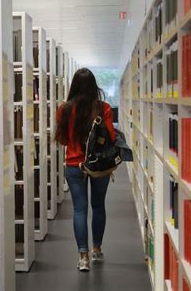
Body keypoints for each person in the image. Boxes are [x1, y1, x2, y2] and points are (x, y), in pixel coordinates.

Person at [55, 68, 116, 272]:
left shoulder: (64, 109)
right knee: (98, 206)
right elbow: (111, 139)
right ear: (93, 87)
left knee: (80, 210)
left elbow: (63, 140)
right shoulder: (104, 108)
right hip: (99, 166)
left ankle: (83, 257)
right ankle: (97, 249)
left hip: (74, 166)